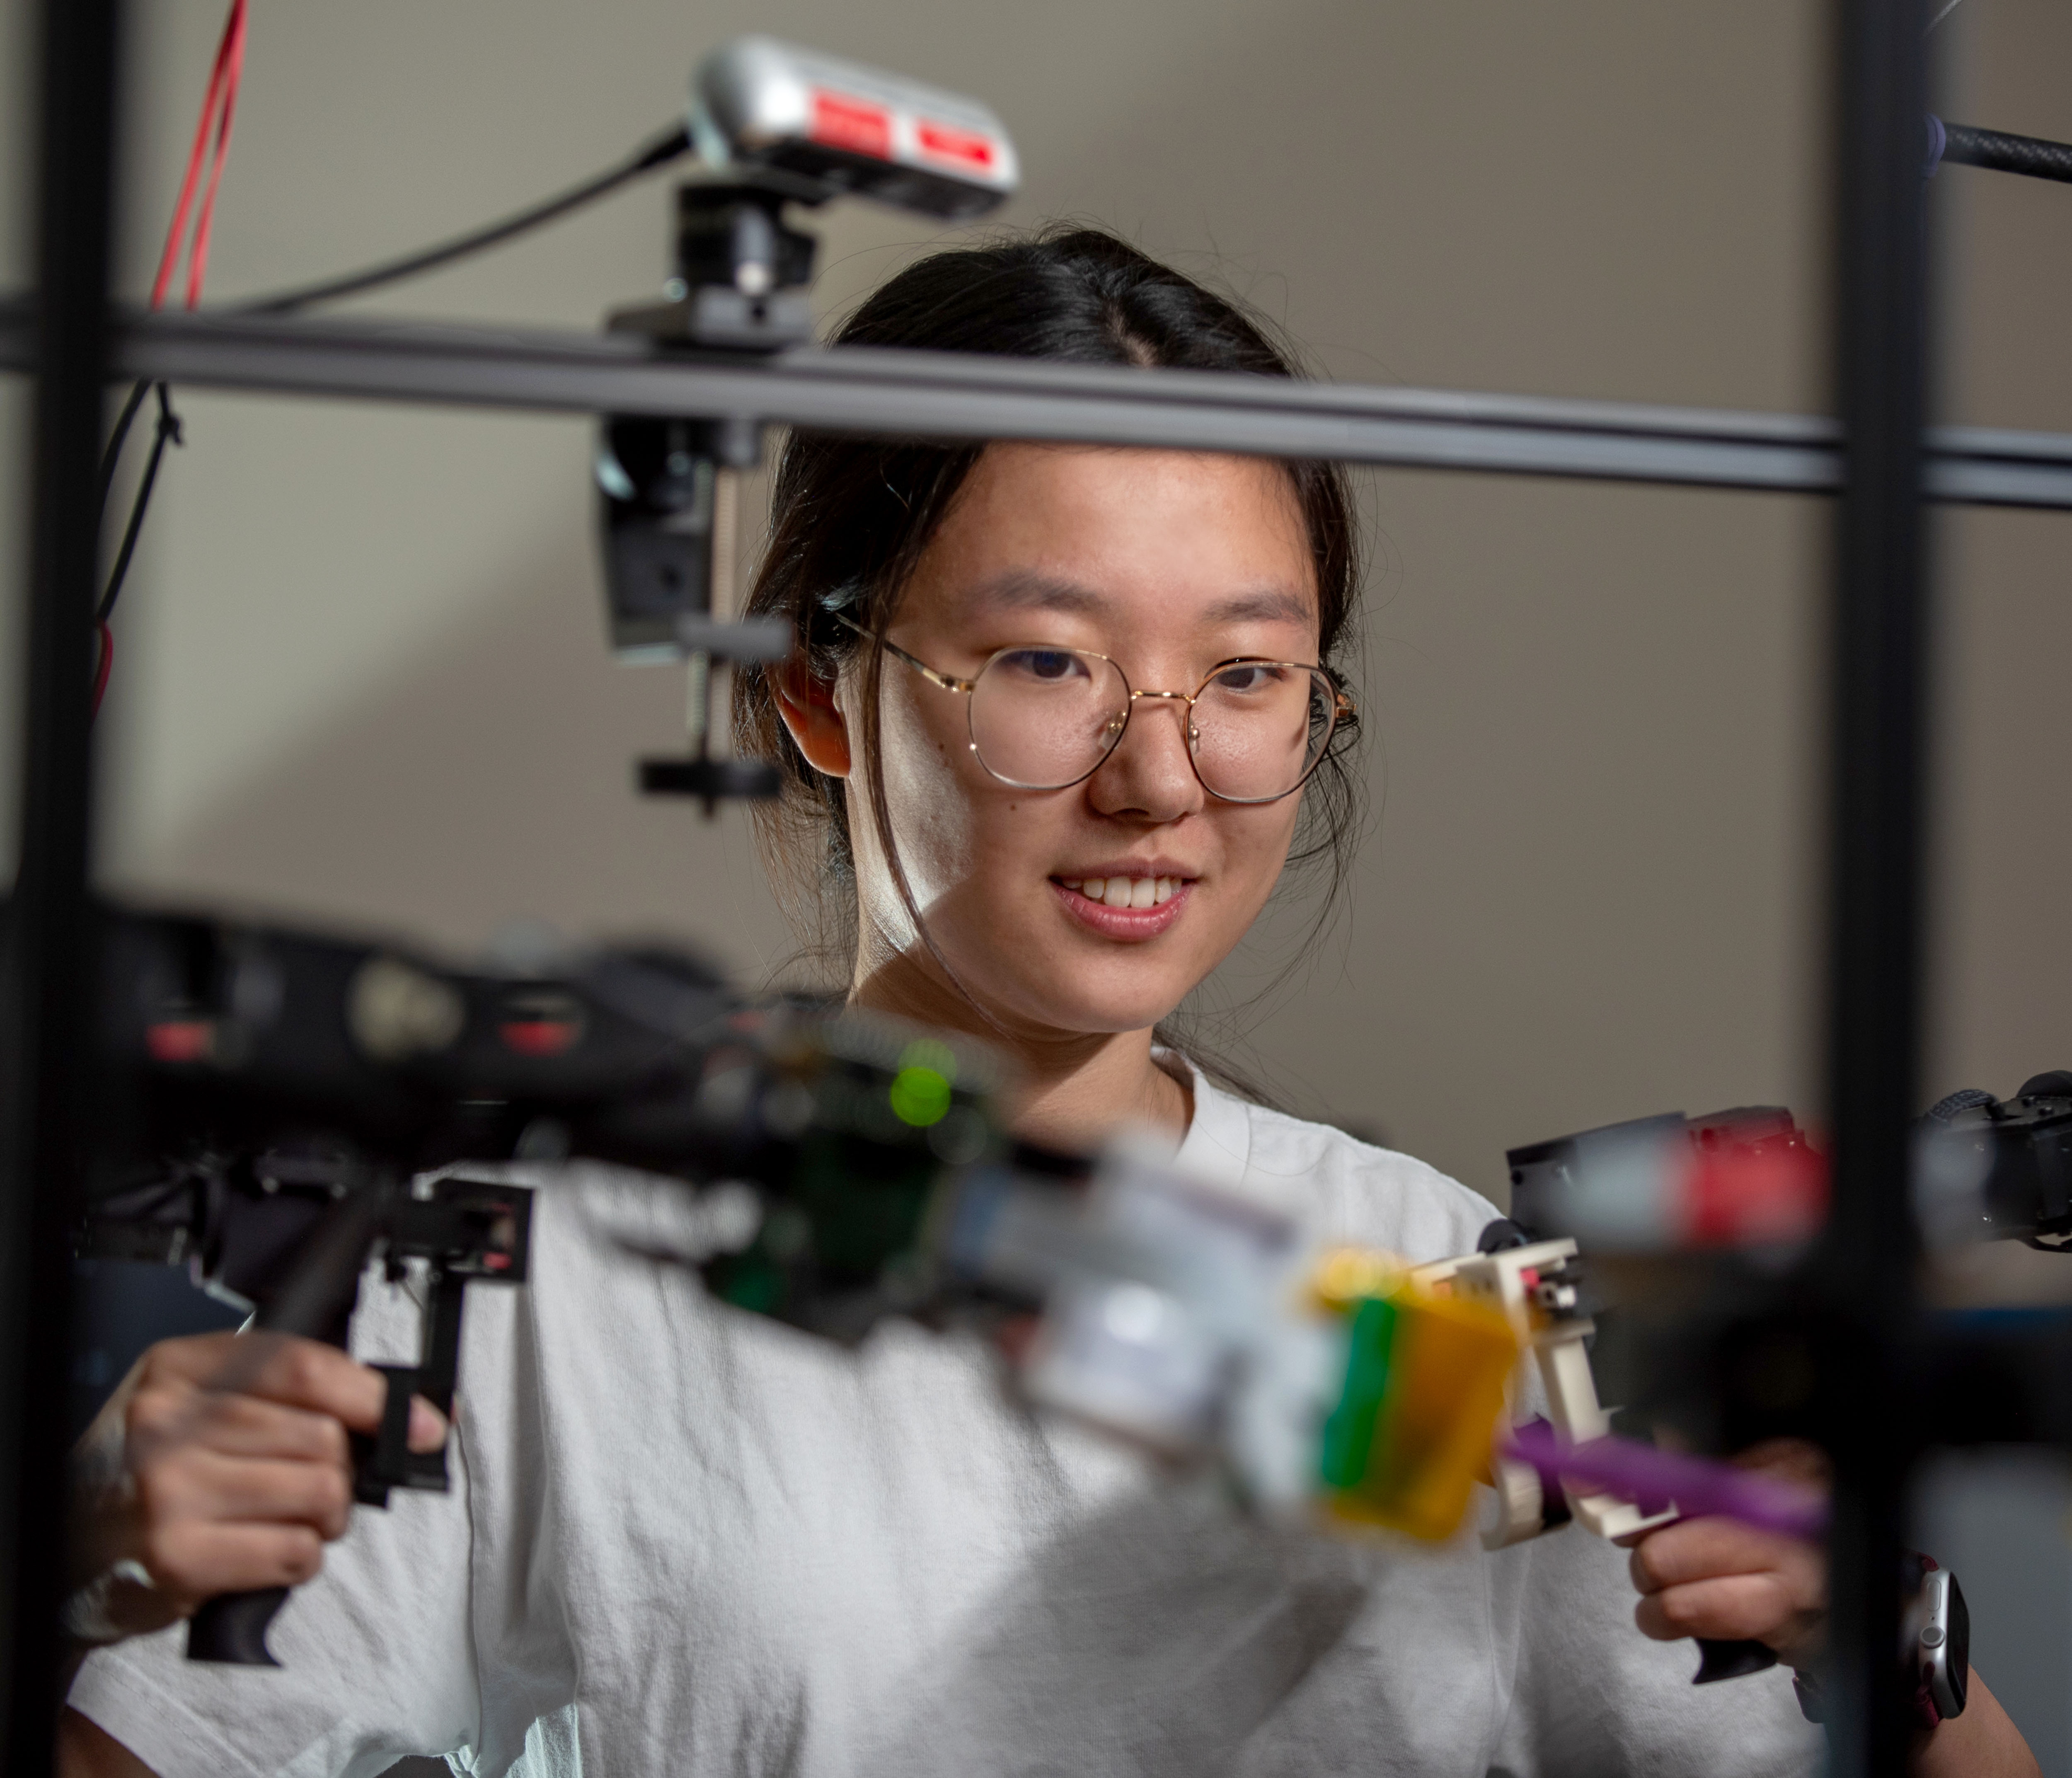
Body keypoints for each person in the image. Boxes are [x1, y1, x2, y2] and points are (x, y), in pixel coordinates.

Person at [59, 228, 2038, 1778]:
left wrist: (1893, 1635)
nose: (1158, 778)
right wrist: (64, 1554)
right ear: (818, 693)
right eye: (1044, 660)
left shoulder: (1455, 1282)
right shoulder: (540, 1275)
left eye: (1246, 674)